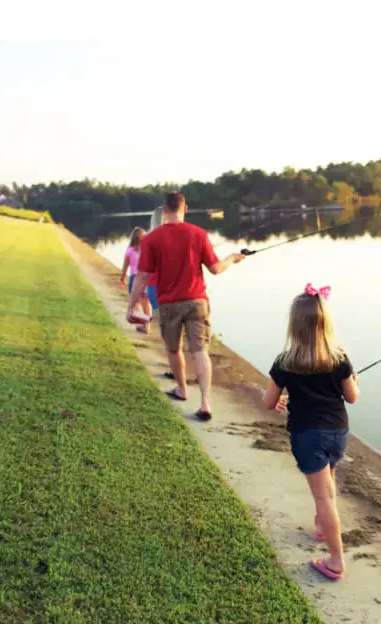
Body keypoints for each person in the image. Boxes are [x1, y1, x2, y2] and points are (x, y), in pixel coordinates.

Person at [262, 284, 360, 581]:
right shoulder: (339, 357)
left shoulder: (285, 361)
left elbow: (268, 402)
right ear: (325, 321)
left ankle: (336, 561)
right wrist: (354, 379)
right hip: (338, 432)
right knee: (327, 482)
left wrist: (280, 398)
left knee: (324, 498)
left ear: (294, 324)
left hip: (307, 436)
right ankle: (321, 526)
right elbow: (352, 397)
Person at [130, 191, 244, 421]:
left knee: (174, 350)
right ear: (186, 208)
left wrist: (131, 306)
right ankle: (206, 403)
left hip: (168, 303)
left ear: (164, 210)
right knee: (200, 351)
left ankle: (182, 389)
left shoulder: (151, 239)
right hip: (197, 301)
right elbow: (215, 269)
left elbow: (142, 277)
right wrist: (232, 258)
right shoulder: (199, 233)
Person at [119, 227, 151, 332]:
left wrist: (122, 278)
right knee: (146, 302)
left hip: (135, 278)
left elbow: (125, 266)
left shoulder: (130, 251)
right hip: (146, 278)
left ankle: (143, 323)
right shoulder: (147, 250)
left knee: (136, 303)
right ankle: (148, 326)